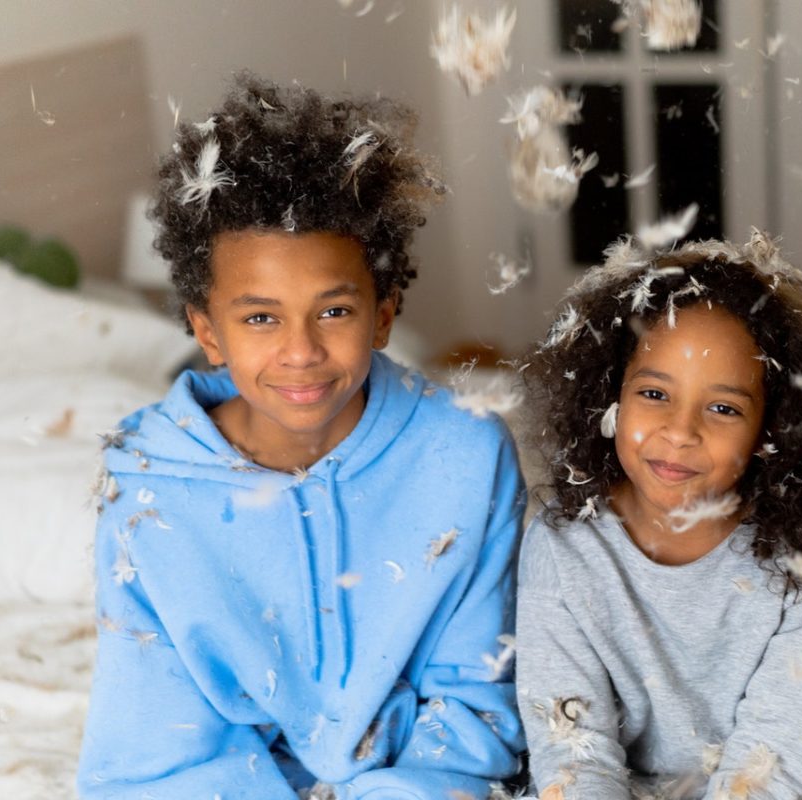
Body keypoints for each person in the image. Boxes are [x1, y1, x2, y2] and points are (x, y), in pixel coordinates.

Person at [77, 74, 527, 799]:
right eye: (259, 318)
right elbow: (158, 736)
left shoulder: (467, 455)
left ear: (385, 315)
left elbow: (475, 705)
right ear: (206, 332)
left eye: (335, 312)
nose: (299, 352)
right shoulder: (145, 483)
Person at [515, 233, 802, 800]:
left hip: (782, 763)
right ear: (611, 397)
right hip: (620, 768)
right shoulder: (562, 545)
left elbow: (771, 753)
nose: (680, 432)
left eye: (724, 408)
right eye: (654, 394)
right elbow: (572, 745)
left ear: (771, 432)